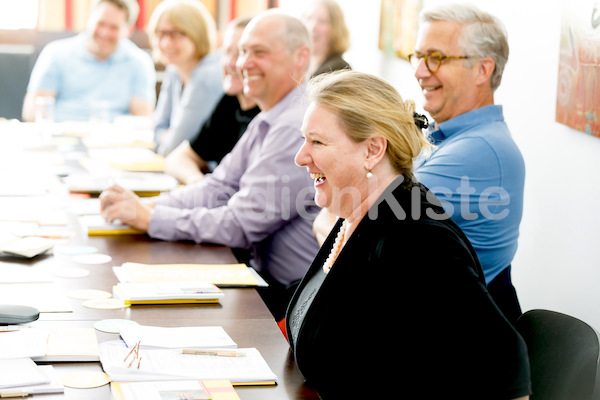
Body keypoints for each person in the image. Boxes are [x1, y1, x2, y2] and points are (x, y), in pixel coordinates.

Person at [288, 70, 531, 400]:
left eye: (316, 141)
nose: (301, 156)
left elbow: (504, 360)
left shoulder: (417, 238)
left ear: (373, 150)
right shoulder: (357, 215)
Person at [99, 10, 319, 320]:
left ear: (301, 58)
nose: (243, 63)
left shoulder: (294, 125)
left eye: (259, 52)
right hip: (260, 287)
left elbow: (240, 225)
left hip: (287, 303)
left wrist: (151, 218)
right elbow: (218, 186)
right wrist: (145, 207)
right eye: (242, 52)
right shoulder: (269, 117)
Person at [408, 3, 526, 324]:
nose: (419, 71)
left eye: (436, 57)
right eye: (418, 56)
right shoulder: (448, 138)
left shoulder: (479, 150)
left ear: (482, 70)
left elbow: (355, 226)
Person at [164, 15, 260, 185]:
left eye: (241, 53)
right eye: (226, 52)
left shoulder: (268, 114)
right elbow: (177, 158)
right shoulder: (230, 101)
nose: (230, 63)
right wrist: (197, 182)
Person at [22, 0, 156, 122]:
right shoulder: (55, 53)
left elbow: (142, 119)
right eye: (100, 24)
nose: (104, 33)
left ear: (129, 30)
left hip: (114, 142)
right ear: (89, 19)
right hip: (61, 138)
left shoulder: (140, 62)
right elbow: (32, 111)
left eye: (114, 28)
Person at [149, 0, 223, 155]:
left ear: (197, 34)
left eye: (176, 34)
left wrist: (167, 138)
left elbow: (173, 148)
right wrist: (166, 137)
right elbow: (157, 127)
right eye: (160, 33)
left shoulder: (207, 76)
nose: (166, 42)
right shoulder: (175, 70)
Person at [301, 0, 351, 78]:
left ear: (336, 29)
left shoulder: (339, 70)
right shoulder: (301, 64)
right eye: (309, 18)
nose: (313, 27)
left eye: (322, 21)